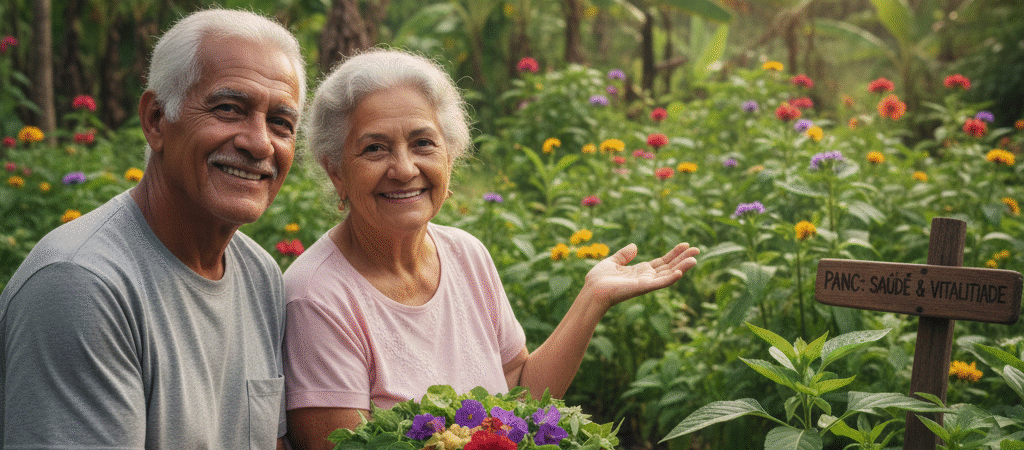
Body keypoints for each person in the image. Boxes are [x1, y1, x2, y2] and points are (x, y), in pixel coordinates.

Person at [282, 48, 700, 450]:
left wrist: (592, 300)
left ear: (450, 155)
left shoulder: (467, 254)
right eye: (375, 148)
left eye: (423, 143)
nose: (405, 168)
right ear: (336, 172)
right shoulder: (317, 297)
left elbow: (518, 393)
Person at [0, 9, 305, 449]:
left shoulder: (260, 276)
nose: (259, 143)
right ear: (156, 120)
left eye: (281, 123)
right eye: (228, 109)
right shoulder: (82, 284)